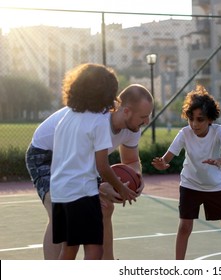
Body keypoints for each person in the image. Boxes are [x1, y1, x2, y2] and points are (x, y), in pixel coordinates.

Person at [25, 83, 154, 260]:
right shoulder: (95, 120)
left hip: (84, 158)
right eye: (143, 116)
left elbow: (131, 161)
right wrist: (102, 186)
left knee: (104, 208)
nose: (147, 122)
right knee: (58, 211)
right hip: (47, 154)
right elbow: (76, 166)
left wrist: (137, 179)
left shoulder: (133, 127)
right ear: (126, 111)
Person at [152, 85, 221, 260]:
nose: (194, 124)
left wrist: (219, 161)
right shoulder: (184, 133)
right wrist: (162, 164)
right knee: (184, 227)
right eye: (191, 119)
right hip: (190, 184)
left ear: (210, 119)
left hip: (215, 186)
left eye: (200, 119)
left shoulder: (218, 131)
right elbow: (167, 158)